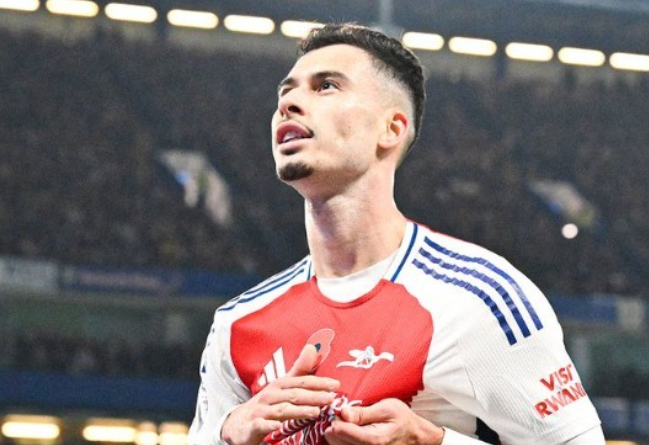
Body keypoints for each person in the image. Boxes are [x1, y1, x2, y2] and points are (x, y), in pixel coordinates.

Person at [188, 23, 605, 445]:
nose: (288, 104)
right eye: (286, 92)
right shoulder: (236, 323)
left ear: (391, 129)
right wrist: (226, 434)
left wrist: (432, 441)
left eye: (326, 86)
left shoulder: (482, 296)